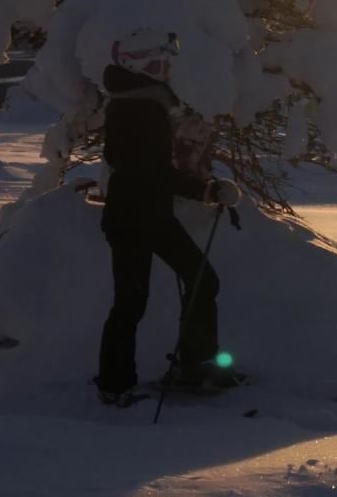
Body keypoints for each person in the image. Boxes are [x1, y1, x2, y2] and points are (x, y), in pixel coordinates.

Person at [95, 27, 241, 407]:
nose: (168, 68)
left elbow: (149, 171)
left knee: (193, 283)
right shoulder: (135, 108)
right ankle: (117, 385)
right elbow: (147, 170)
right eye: (160, 61)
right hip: (134, 219)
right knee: (134, 302)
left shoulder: (142, 103)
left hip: (147, 215)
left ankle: (193, 366)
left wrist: (201, 188)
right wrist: (203, 190)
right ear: (142, 64)